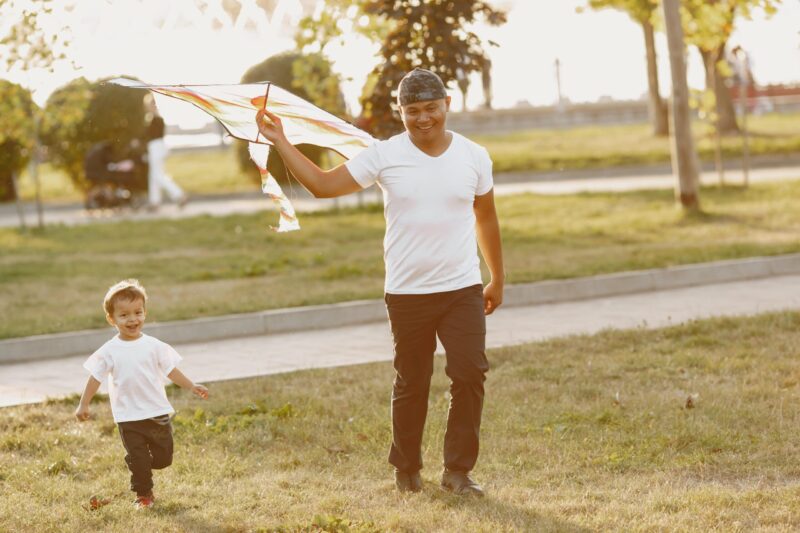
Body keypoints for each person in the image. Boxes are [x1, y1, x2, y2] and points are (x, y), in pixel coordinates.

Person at [255, 67, 504, 497]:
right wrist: (281, 142)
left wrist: (496, 276)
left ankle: (458, 472)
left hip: (462, 287)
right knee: (413, 380)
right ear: (400, 112)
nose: (423, 118)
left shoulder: (474, 156)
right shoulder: (384, 154)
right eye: (412, 111)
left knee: (469, 374)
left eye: (431, 109)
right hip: (407, 293)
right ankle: (406, 470)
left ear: (447, 105)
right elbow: (323, 185)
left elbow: (485, 215)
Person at [74, 279, 209, 509]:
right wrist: (83, 404)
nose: (132, 319)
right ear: (112, 319)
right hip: (128, 416)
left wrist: (191, 385)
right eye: (124, 315)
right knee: (139, 458)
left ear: (145, 313)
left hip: (157, 412)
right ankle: (143, 494)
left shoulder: (154, 345)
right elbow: (95, 377)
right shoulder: (109, 351)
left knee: (164, 458)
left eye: (138, 312)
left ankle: (140, 463)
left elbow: (171, 370)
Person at [145, 115, 187, 210]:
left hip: (156, 147)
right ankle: (154, 202)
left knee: (157, 175)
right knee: (153, 175)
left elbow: (151, 134)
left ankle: (179, 194)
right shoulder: (155, 119)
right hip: (158, 147)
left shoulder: (157, 119)